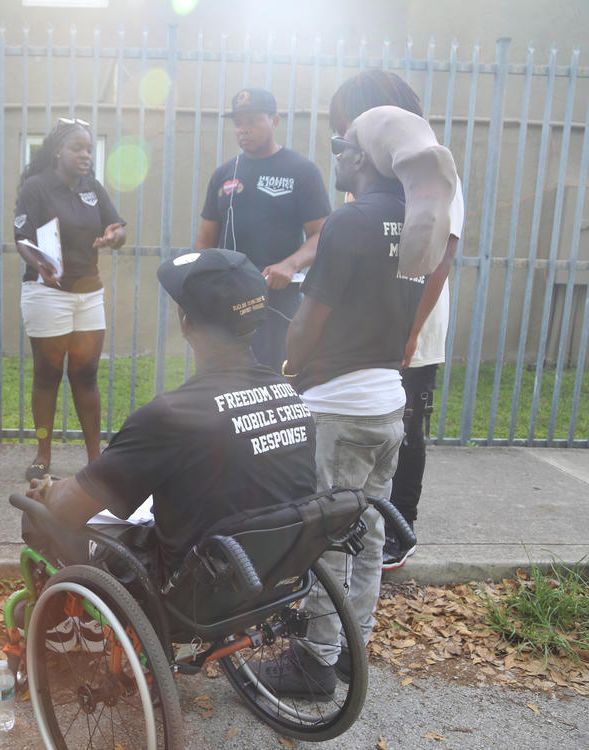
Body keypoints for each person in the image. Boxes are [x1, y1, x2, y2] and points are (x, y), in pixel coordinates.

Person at [255, 125, 425, 699]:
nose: (337, 154)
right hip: (386, 399)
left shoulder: (350, 220)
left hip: (340, 403)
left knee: (329, 536)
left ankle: (315, 661)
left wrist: (289, 370)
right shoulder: (416, 219)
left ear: (364, 157)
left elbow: (308, 320)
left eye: (342, 145)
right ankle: (355, 648)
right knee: (369, 532)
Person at [25, 248, 317, 580]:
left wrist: (49, 489)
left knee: (37, 510)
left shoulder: (171, 417)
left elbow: (69, 508)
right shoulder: (291, 399)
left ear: (186, 323)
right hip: (269, 579)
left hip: (189, 589)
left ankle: (69, 622)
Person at [328, 70, 465, 570]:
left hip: (412, 326)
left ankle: (400, 530)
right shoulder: (370, 170)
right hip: (371, 325)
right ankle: (360, 522)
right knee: (372, 424)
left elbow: (440, 258)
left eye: (347, 121)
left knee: (407, 427)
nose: (343, 133)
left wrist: (408, 334)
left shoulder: (429, 167)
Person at [13, 118, 126, 481]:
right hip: (47, 293)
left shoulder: (92, 188)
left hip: (88, 294)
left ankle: (95, 458)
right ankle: (43, 453)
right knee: (48, 375)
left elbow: (118, 227)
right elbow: (21, 238)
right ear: (58, 150)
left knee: (86, 375)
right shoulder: (36, 187)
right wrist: (39, 263)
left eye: (89, 149)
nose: (85, 155)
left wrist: (114, 235)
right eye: (77, 148)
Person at [195, 88, 331, 371]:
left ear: (275, 121)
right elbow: (205, 242)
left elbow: (322, 234)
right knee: (226, 383)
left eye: (253, 121)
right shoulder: (224, 174)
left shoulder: (301, 171)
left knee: (274, 381)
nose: (244, 130)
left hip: (277, 300)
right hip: (228, 300)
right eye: (238, 124)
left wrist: (290, 264)